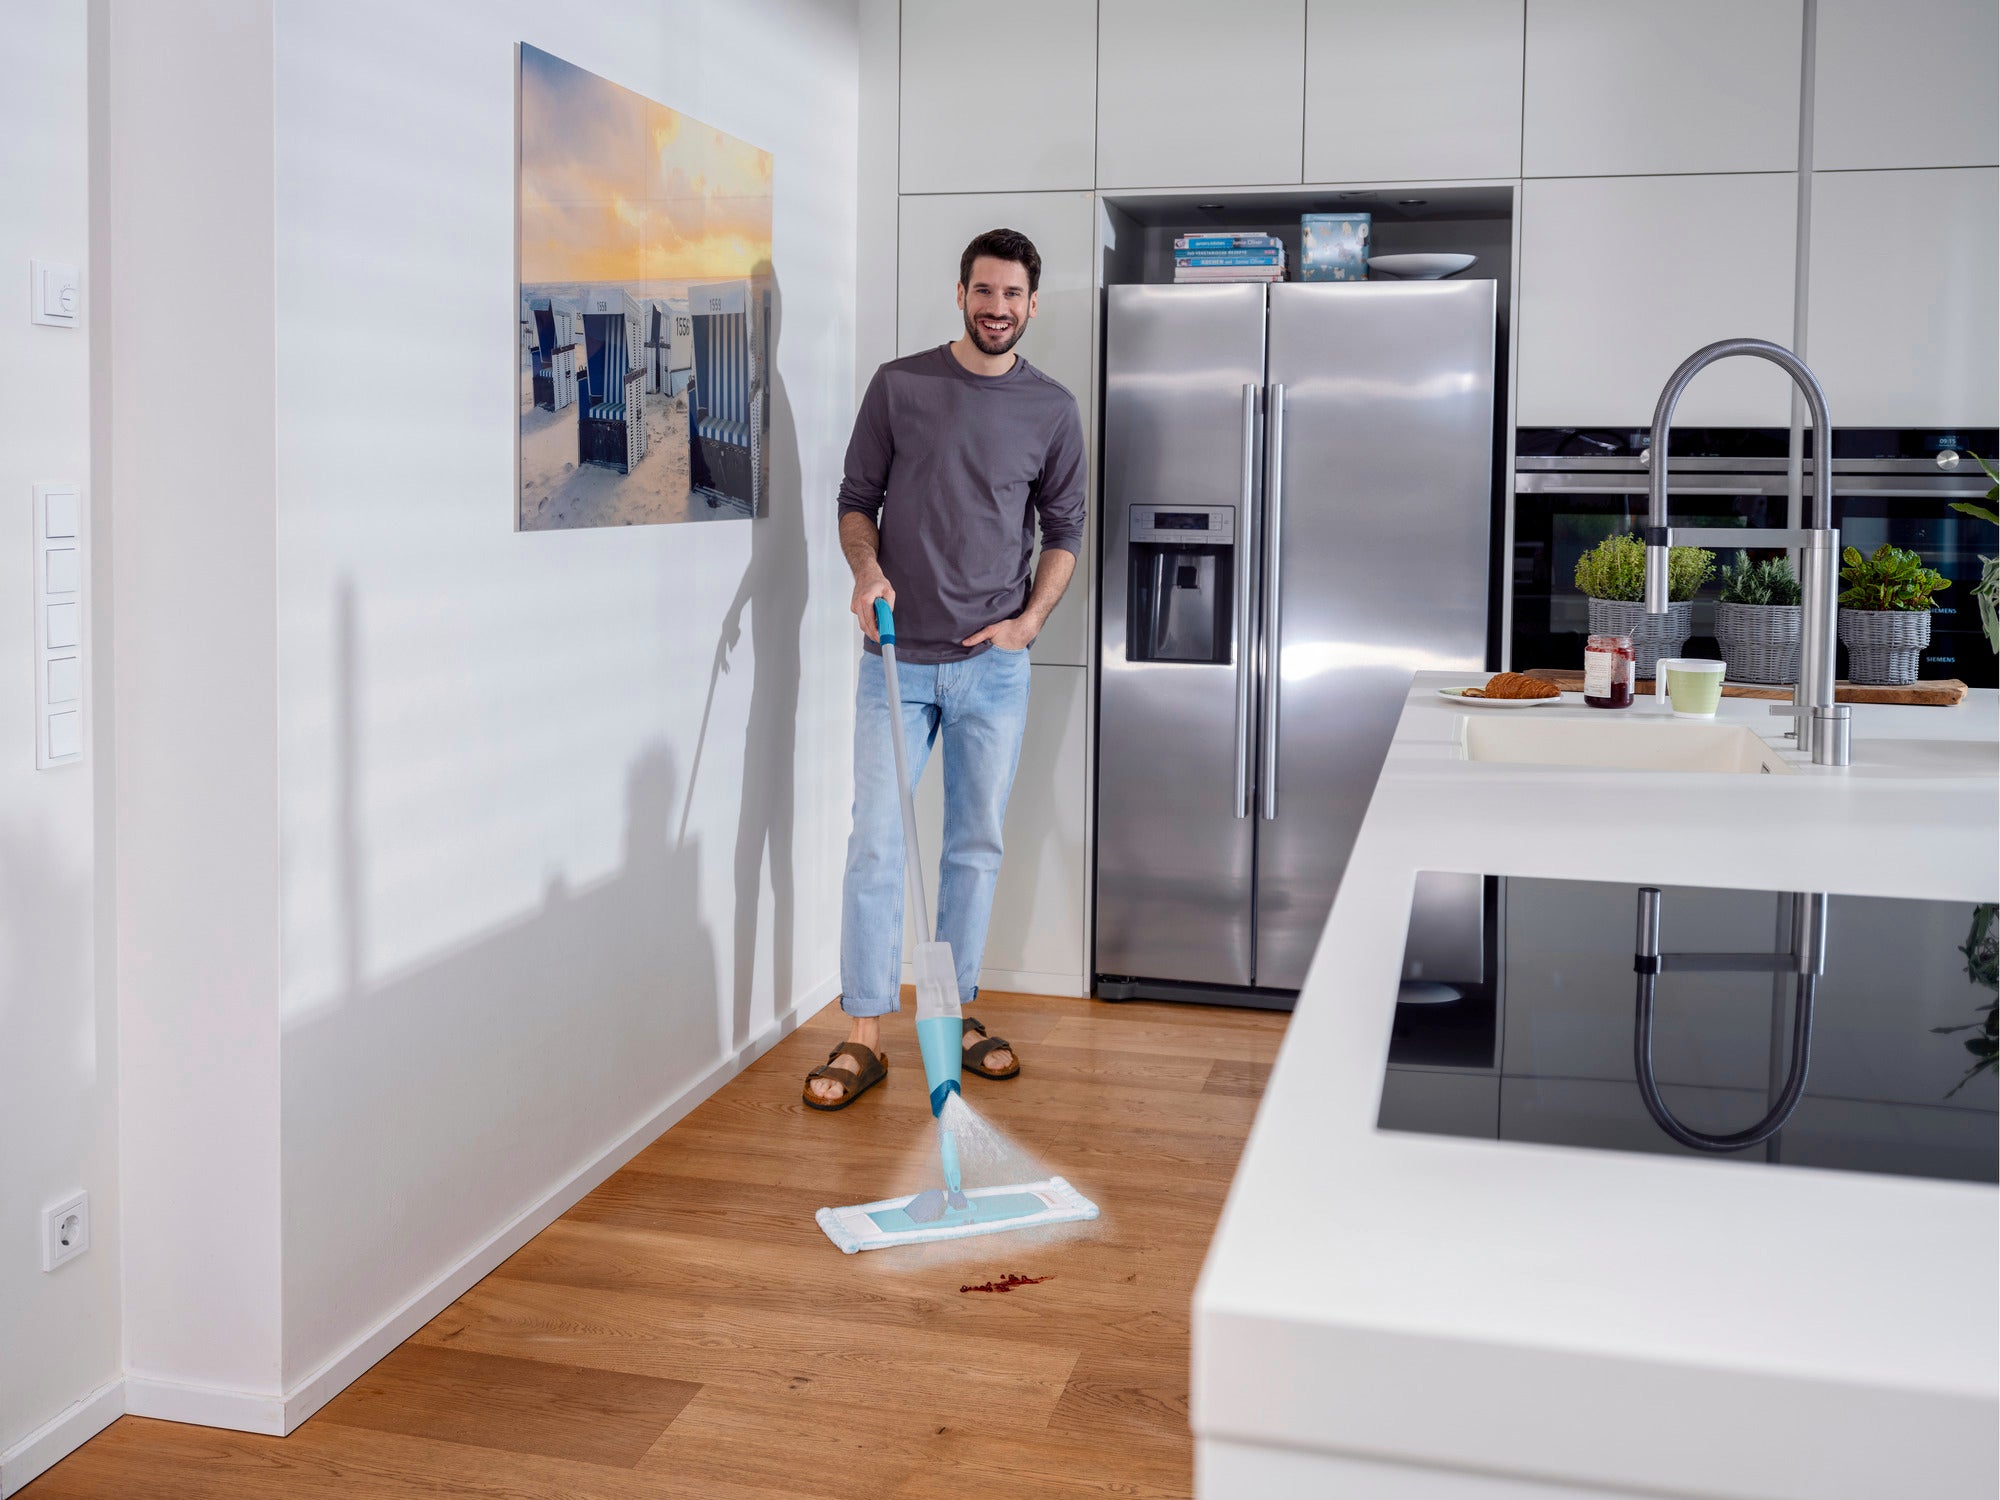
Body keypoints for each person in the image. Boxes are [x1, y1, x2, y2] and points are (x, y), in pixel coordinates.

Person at [804, 227, 1086, 1109]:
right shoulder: (902, 386)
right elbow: (857, 502)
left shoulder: (1052, 409)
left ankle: (955, 1013)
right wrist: (867, 570)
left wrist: (1029, 622)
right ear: (960, 294)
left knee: (973, 847)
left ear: (1033, 304)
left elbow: (1065, 533)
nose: (996, 309)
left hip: (992, 667)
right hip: (896, 656)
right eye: (983, 292)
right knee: (879, 844)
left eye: (1012, 296)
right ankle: (863, 1034)